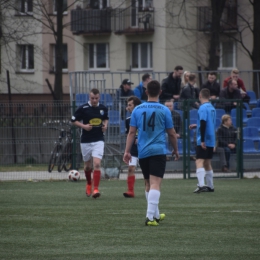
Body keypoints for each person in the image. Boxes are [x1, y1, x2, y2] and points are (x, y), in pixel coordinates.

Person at [123, 80, 179, 226]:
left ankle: (155, 214)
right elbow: (172, 133)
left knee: (148, 184)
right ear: (160, 92)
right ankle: (149, 217)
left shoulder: (137, 109)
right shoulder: (164, 109)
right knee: (155, 184)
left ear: (146, 92)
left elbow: (131, 132)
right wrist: (176, 149)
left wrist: (127, 151)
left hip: (143, 152)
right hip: (158, 150)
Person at [71, 88, 109, 199]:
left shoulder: (103, 108)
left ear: (99, 97)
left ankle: (95, 189)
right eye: (92, 98)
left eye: (96, 98)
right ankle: (88, 183)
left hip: (98, 139)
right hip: (86, 141)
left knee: (97, 164)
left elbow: (106, 118)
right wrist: (84, 126)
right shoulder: (83, 108)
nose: (94, 100)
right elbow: (73, 120)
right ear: (89, 97)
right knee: (87, 166)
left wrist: (105, 125)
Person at [189, 88, 216, 193]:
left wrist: (203, 140)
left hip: (204, 138)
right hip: (211, 137)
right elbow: (208, 122)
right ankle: (210, 186)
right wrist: (197, 125)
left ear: (200, 96)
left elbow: (204, 122)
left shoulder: (202, 107)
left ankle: (201, 185)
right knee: (207, 162)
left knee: (199, 160)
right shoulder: (212, 107)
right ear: (208, 96)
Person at [123, 96, 142, 198]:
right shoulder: (128, 120)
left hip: (144, 148)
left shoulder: (144, 117)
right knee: (131, 168)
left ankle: (150, 189)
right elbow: (129, 134)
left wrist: (139, 137)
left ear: (136, 106)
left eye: (130, 105)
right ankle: (130, 191)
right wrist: (128, 150)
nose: (127, 107)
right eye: (128, 105)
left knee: (147, 171)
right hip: (133, 150)